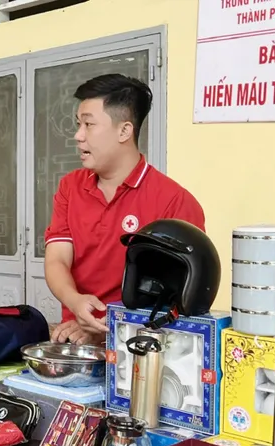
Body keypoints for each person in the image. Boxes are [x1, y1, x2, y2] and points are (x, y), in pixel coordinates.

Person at [44, 74, 206, 345]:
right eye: (78, 124)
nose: (78, 135)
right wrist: (75, 304)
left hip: (142, 347)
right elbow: (57, 259)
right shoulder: (70, 188)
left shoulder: (174, 202)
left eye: (88, 124)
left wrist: (108, 326)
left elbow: (178, 297)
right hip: (76, 339)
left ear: (124, 131)